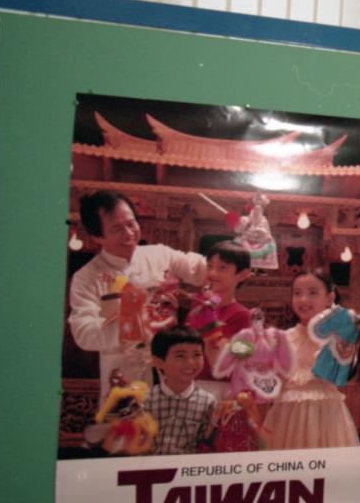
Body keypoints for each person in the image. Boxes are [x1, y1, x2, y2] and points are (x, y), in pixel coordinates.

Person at [69, 190, 207, 399]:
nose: (129, 233)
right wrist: (129, 324)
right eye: (117, 229)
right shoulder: (87, 277)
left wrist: (236, 255)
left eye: (131, 223)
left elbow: (201, 270)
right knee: (128, 417)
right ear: (97, 236)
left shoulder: (159, 254)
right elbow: (84, 333)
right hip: (124, 373)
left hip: (172, 369)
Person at [263, 270, 360, 449]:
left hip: (327, 420)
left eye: (312, 293)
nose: (303, 300)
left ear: (329, 298)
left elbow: (344, 374)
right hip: (287, 421)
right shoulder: (282, 339)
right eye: (297, 293)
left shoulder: (338, 338)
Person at [186, 240, 254, 400]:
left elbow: (220, 366)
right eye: (210, 266)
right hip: (188, 384)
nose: (212, 273)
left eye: (222, 268)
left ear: (242, 274)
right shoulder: (198, 307)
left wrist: (208, 326)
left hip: (218, 391)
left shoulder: (242, 315)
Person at [145, 326, 217, 455]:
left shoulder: (208, 402)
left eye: (197, 354)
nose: (190, 362)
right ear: (159, 362)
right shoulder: (145, 400)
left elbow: (207, 445)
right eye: (180, 356)